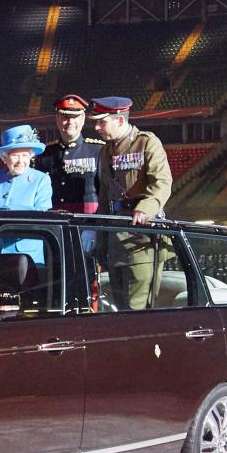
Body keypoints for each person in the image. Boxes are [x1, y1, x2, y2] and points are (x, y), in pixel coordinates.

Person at [90, 96, 173, 310]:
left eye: (102, 121)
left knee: (137, 310)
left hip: (142, 239)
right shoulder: (105, 151)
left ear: (119, 120)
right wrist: (101, 241)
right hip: (115, 239)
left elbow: (162, 183)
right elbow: (104, 199)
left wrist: (145, 209)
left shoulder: (146, 142)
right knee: (120, 310)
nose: (96, 127)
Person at [34, 94, 105, 212]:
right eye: (65, 117)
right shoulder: (44, 154)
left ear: (82, 119)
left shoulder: (98, 151)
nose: (70, 121)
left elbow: (105, 192)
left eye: (75, 117)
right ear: (57, 119)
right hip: (53, 222)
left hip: (87, 222)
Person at [0, 124, 52, 212]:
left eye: (25, 155)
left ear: (30, 157)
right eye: (15, 156)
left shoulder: (41, 180)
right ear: (4, 157)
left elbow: (42, 215)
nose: (20, 161)